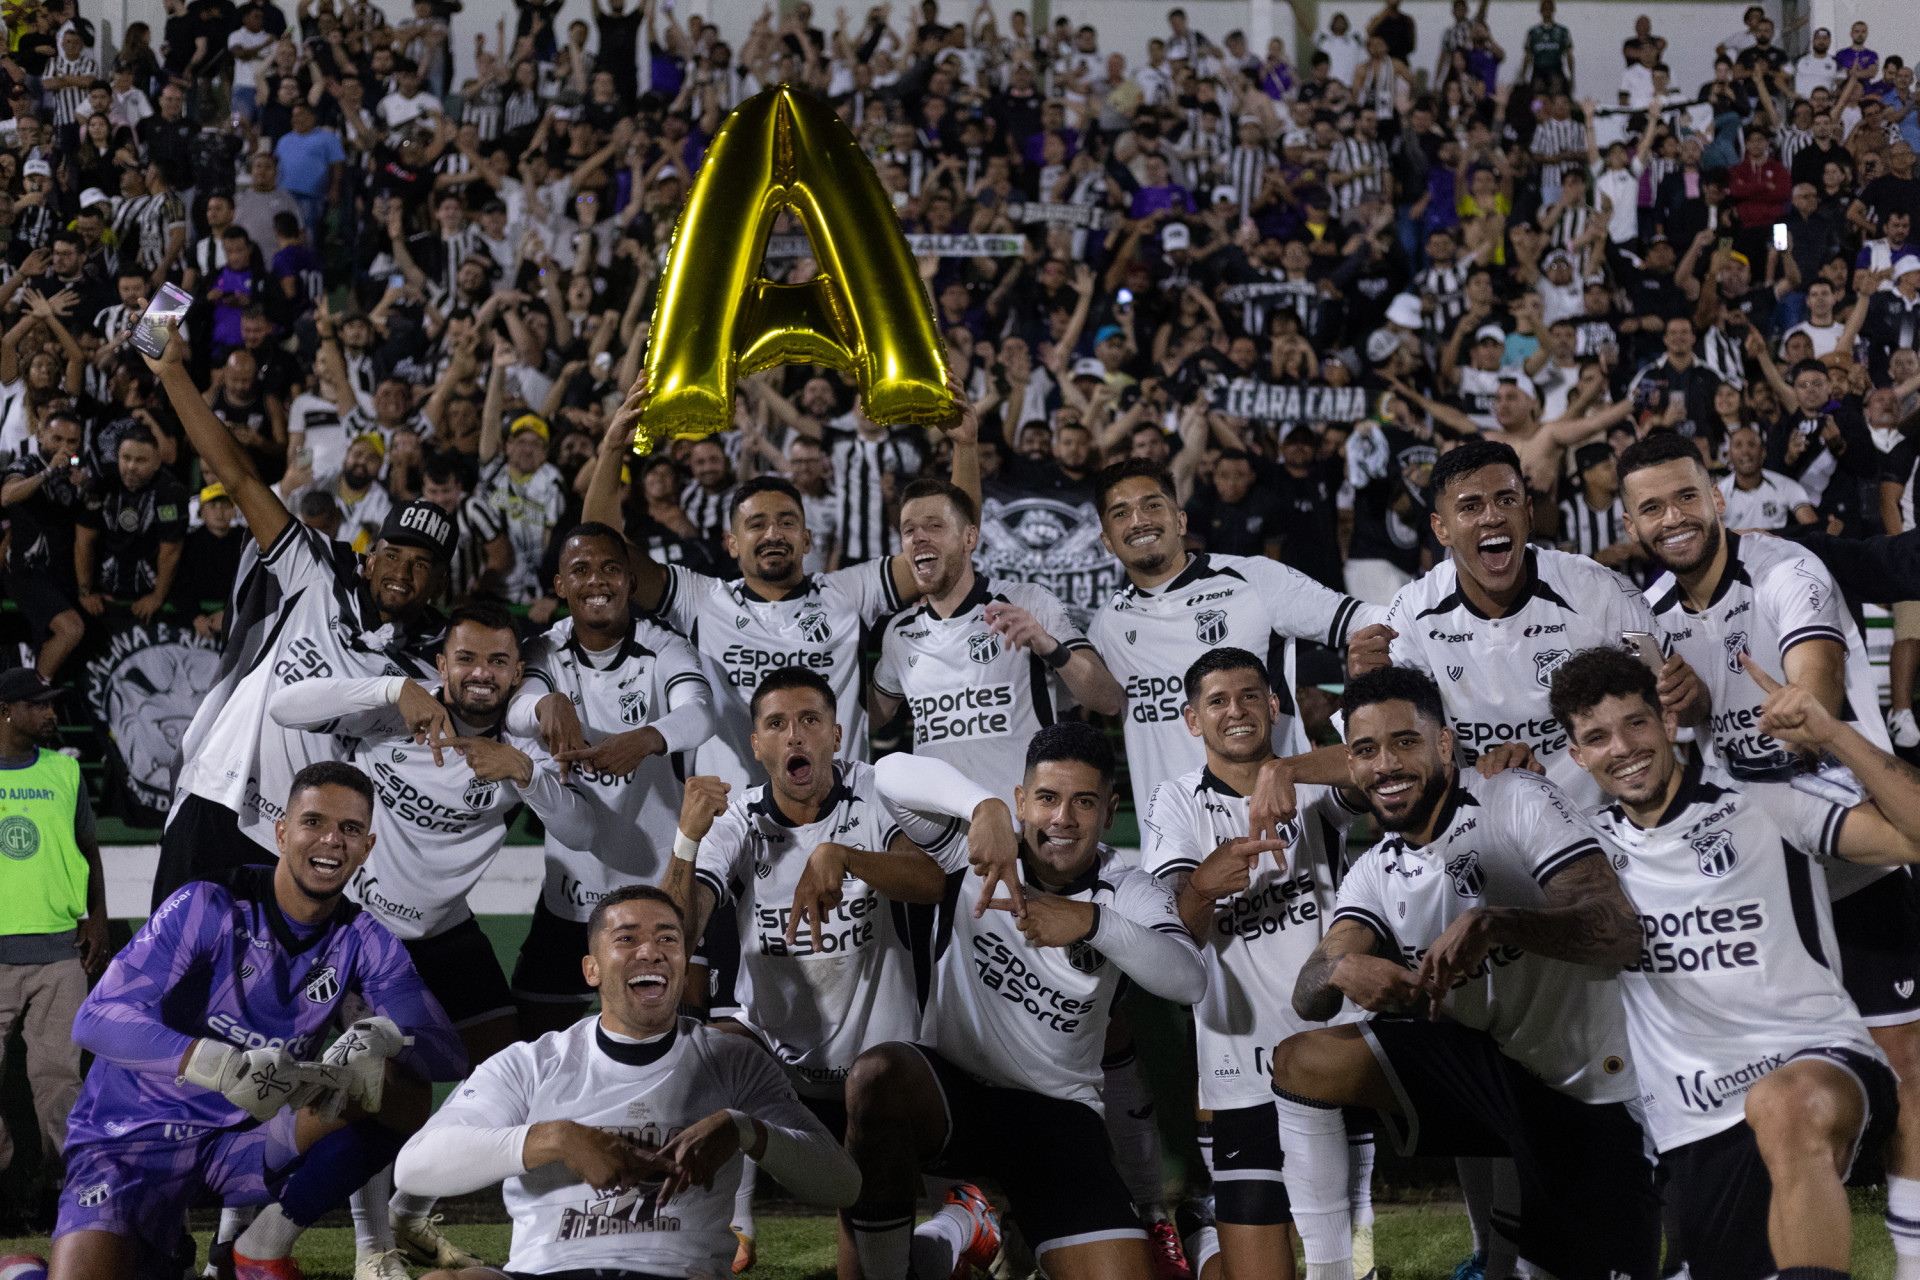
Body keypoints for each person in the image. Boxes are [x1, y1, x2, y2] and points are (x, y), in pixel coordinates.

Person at [1617, 430, 1920, 1258]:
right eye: (1651, 507)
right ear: (1632, 523)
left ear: (1718, 498)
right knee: (1763, 1096)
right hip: (1756, 884)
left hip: (1855, 853)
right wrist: (1682, 719)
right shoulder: (1647, 620)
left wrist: (1779, 704)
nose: (1672, 517)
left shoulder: (1787, 570)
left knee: (1909, 1065)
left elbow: (1811, 687)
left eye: (1685, 496)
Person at [1269, 667, 1659, 1280]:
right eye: (1366, 750)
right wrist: (1341, 968)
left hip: (1591, 1087)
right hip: (1490, 1069)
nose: (1387, 765)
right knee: (1303, 1059)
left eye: (1405, 742)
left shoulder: (1515, 800)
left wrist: (1497, 924)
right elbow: (1307, 995)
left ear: (1444, 745)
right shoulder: (1377, 868)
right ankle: (1335, 1272)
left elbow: (1618, 930)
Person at [1553, 645, 1920, 1280]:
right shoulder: (1582, 850)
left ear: (1668, 722)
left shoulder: (1763, 803)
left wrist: (1833, 733)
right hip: (1694, 1129)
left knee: (1784, 1104)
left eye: (1637, 723)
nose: (1623, 746)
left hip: (1819, 1068)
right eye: (1597, 736)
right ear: (1578, 754)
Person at [267, 602, 598, 1275]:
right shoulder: (396, 705)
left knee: (510, 1073)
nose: (481, 674)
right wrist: (393, 688)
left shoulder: (523, 742)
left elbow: (586, 833)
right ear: (441, 663)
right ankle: (368, 1248)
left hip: (444, 930)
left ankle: (418, 1219)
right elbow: (284, 706)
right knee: (377, 1084)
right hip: (363, 930)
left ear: (516, 673)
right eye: (466, 658)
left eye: (499, 662)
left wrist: (524, 771)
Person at [49, 761, 466, 1280]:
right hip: (134, 1136)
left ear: (367, 847)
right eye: (314, 822)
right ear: (282, 832)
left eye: (350, 830)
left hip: (245, 1145)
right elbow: (96, 1019)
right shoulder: (209, 904)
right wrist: (215, 1063)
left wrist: (382, 1038)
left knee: (401, 1088)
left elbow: (446, 1051)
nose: (332, 840)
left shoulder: (365, 939)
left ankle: (262, 1246)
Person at [663, 666, 994, 1276]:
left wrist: (841, 856)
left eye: (810, 721)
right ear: (756, 744)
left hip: (878, 1072)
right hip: (780, 1071)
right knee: (704, 1052)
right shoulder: (737, 818)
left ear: (837, 736)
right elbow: (676, 935)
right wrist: (685, 839)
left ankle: (959, 1224)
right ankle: (728, 1228)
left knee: (867, 1267)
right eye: (777, 725)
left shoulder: (875, 792)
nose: (795, 737)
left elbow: (929, 882)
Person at [848, 722, 1208, 1280]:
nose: (1062, 819)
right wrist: (981, 805)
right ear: (1022, 800)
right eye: (1046, 799)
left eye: (1083, 803)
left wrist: (1091, 922)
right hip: (957, 1096)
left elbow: (1190, 981)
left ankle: (1006, 1231)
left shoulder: (1126, 889)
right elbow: (888, 774)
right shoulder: (978, 851)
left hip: (1058, 1117)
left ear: (1110, 811)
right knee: (877, 1076)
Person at [391, 885, 861, 1279]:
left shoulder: (733, 1061)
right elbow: (414, 1166)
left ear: (681, 961)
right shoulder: (532, 1064)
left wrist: (746, 1131)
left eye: (668, 939)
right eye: (627, 938)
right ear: (591, 969)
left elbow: (842, 1184)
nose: (650, 951)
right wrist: (556, 1139)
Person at [143, 318, 456, 908]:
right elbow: (236, 476)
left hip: (298, 838)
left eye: (422, 567)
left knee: (266, 997)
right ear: (368, 556)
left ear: (439, 583)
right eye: (393, 555)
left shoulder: (435, 663)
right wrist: (173, 372)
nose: (402, 573)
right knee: (173, 976)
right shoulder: (315, 571)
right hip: (219, 793)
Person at [579, 375, 978, 785]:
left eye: (786, 522)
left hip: (838, 825)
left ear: (807, 539)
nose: (773, 533)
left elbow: (951, 546)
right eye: (757, 524)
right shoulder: (702, 600)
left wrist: (965, 446)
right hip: (731, 829)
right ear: (731, 543)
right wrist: (612, 449)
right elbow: (600, 548)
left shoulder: (851, 593)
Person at [1141, 649, 1373, 1280]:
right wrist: (1203, 888)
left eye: (1250, 696)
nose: (1235, 711)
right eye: (1217, 701)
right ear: (1193, 720)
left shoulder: (1313, 783)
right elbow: (1173, 941)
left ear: (1274, 706)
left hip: (1331, 1050)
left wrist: (1288, 770)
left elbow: (1374, 761)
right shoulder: (1176, 803)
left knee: (1348, 1269)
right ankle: (1204, 1235)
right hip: (1239, 1067)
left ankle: (1206, 1227)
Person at [1347, 439, 1706, 806]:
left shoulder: (1598, 590)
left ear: (1529, 512)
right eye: (1470, 506)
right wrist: (1365, 687)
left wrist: (1686, 695)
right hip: (1480, 835)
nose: (1492, 516)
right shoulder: (1412, 610)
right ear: (1441, 529)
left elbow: (1676, 709)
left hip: (1596, 830)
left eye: (1506, 500)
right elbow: (1376, 762)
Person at [501, 522, 715, 1040]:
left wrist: (643, 739)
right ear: (559, 586)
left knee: (689, 1043)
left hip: (658, 886)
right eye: (581, 570)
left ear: (630, 582)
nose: (597, 580)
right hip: (572, 890)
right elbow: (515, 711)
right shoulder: (544, 652)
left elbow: (699, 713)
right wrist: (545, 705)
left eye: (610, 568)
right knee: (530, 1036)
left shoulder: (664, 646)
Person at [1087, 457, 1384, 823]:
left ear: (1180, 520)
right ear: (1107, 541)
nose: (1139, 520)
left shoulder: (1254, 581)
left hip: (1279, 830)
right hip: (1173, 846)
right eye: (1120, 513)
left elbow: (1371, 620)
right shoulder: (1107, 623)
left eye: (1152, 505)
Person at [872, 477, 1122, 797]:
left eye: (934, 526)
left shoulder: (1028, 601)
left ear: (969, 537)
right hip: (939, 837)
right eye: (908, 530)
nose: (919, 537)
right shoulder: (900, 631)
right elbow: (870, 715)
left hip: (1020, 828)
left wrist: (1050, 647)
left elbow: (1107, 700)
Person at [0, 668, 109, 1225]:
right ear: (6, 711)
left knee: (60, 1082)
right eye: (38, 705)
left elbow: (89, 851)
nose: (50, 714)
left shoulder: (65, 772)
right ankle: (7, 1177)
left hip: (60, 951)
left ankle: (64, 1191)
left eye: (51, 705)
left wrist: (98, 919)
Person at [1719, 424, 1818, 528]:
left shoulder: (1785, 485)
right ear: (1729, 455)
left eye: (1751, 444)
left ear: (1763, 452)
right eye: (1738, 445)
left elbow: (1812, 528)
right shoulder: (1718, 494)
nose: (1745, 452)